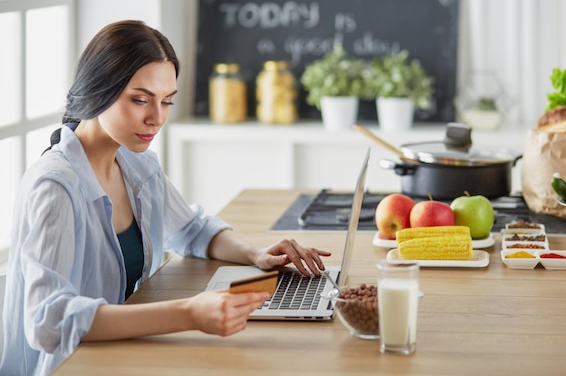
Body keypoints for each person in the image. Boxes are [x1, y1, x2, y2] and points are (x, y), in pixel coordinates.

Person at [0, 20, 331, 375]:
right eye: (140, 100)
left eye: (167, 101)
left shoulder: (136, 164)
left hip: (120, 355)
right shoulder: (56, 187)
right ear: (99, 90)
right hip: (70, 366)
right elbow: (47, 322)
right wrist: (187, 313)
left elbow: (192, 230)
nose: (156, 118)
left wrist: (257, 254)